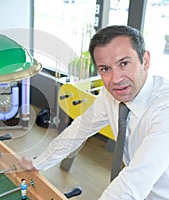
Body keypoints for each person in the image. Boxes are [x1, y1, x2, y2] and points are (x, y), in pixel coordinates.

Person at [20, 25, 169, 199]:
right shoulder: (110, 94)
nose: (116, 79)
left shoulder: (164, 108)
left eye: (124, 64)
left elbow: (135, 179)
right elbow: (80, 129)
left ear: (145, 60)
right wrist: (38, 163)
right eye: (105, 69)